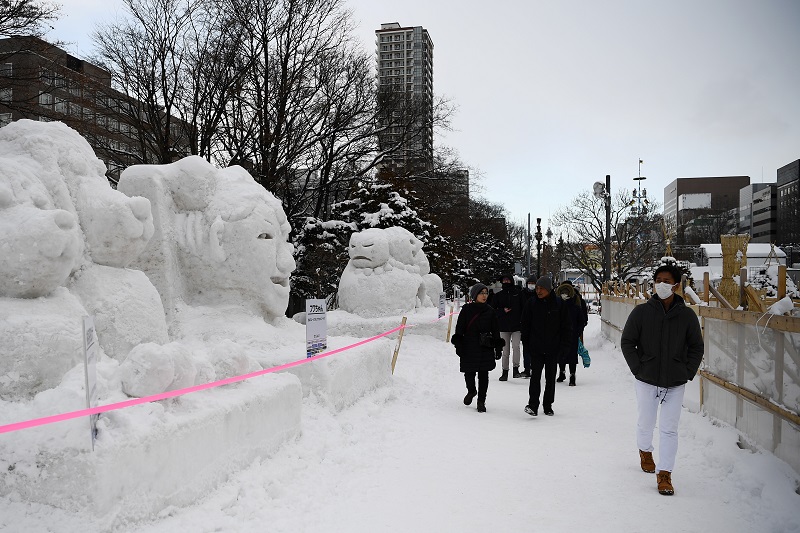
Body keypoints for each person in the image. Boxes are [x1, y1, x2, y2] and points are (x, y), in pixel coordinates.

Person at [620, 265, 704, 496]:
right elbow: (627, 341)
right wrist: (638, 368)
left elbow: (696, 346)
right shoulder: (642, 313)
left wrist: (687, 371)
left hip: (675, 383)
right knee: (646, 422)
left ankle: (665, 474)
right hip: (646, 379)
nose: (661, 284)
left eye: (667, 281)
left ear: (677, 285)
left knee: (669, 429)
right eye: (658, 280)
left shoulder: (687, 316)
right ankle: (645, 451)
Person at [520, 276, 571, 417]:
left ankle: (548, 405)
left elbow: (566, 327)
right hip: (536, 347)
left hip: (553, 348)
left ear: (549, 289)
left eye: (541, 288)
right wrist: (527, 344)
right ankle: (533, 405)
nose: (538, 291)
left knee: (550, 378)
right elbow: (525, 325)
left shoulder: (559, 304)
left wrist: (564, 347)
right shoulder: (531, 304)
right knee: (535, 377)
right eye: (536, 288)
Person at [450, 283, 504, 413]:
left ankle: (481, 401)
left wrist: (498, 347)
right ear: (475, 295)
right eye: (481, 293)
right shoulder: (467, 310)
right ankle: (471, 390)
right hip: (469, 346)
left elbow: (496, 330)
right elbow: (460, 329)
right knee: (469, 372)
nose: (484, 296)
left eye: (486, 293)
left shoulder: (490, 311)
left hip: (485, 346)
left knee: (483, 375)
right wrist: (459, 345)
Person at [555, 282, 588, 386]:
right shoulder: (556, 305)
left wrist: (577, 332)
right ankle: (562, 372)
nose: (564, 294)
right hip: (559, 335)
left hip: (572, 335)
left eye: (566, 292)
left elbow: (581, 320)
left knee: (572, 356)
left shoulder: (575, 305)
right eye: (562, 292)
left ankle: (572, 375)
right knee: (560, 355)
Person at [493, 274, 524, 380]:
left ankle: (516, 369)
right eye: (504, 280)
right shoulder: (498, 295)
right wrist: (502, 311)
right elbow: (493, 310)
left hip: (517, 326)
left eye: (508, 280)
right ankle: (505, 371)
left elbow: (524, 309)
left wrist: (522, 322)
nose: (506, 282)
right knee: (505, 350)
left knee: (516, 347)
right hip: (503, 326)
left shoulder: (518, 294)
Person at [519, 275, 538, 377]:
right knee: (526, 349)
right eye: (530, 283)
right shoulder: (522, 294)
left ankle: (534, 368)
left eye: (533, 283)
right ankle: (527, 369)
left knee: (535, 349)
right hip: (525, 325)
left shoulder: (538, 295)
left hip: (536, 326)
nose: (531, 285)